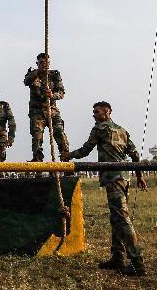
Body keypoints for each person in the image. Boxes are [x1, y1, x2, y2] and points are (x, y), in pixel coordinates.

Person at [62, 102, 147, 276]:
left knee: (122, 218)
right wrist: (139, 176)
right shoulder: (122, 130)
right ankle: (117, 257)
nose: (94, 115)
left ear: (107, 112)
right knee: (116, 218)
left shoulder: (100, 128)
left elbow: (86, 150)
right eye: (93, 112)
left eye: (97, 112)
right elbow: (135, 154)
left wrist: (68, 155)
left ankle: (137, 263)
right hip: (124, 178)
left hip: (113, 178)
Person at [24, 53, 69, 161]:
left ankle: (65, 158)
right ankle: (37, 160)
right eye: (41, 62)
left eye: (47, 62)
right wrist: (36, 72)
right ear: (37, 63)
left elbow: (61, 93)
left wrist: (52, 95)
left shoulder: (54, 75)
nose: (44, 64)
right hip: (37, 112)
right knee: (37, 136)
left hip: (52, 110)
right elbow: (26, 82)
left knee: (59, 132)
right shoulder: (32, 75)